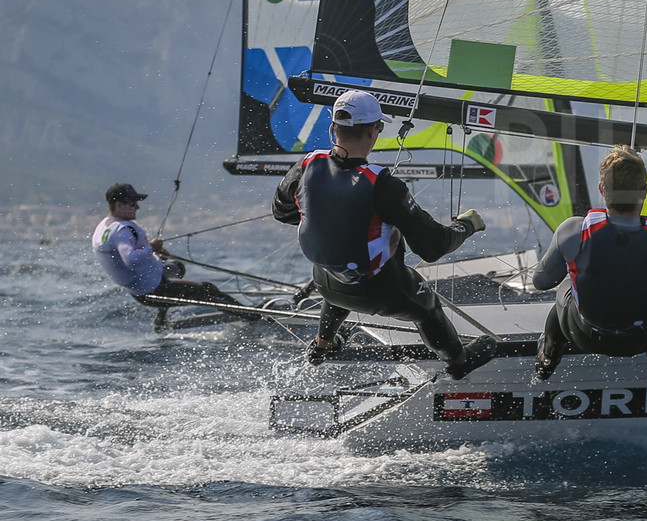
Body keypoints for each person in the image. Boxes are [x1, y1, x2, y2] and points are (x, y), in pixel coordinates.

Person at [271, 89, 496, 378]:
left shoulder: (307, 164)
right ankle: (459, 361)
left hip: (326, 284)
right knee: (426, 306)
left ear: (333, 128)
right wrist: (467, 226)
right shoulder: (383, 184)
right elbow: (433, 246)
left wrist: (333, 220)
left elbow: (283, 212)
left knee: (344, 263)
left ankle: (323, 343)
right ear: (373, 131)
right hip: (382, 293)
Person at [529, 146, 647, 381]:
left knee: (566, 289)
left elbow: (541, 282)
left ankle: (548, 359)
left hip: (582, 335)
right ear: (645, 192)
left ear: (602, 189)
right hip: (640, 339)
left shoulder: (573, 230)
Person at [92, 183, 247, 328]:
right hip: (153, 289)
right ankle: (252, 317)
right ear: (118, 205)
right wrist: (151, 248)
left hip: (144, 283)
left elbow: (127, 255)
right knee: (208, 290)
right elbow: (131, 260)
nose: (137, 207)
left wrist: (155, 255)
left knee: (177, 267)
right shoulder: (122, 230)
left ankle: (161, 316)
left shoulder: (104, 227)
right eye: (132, 203)